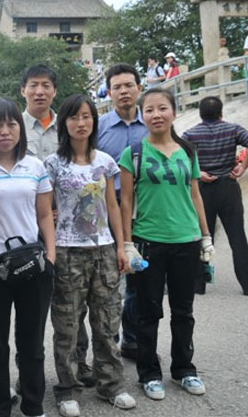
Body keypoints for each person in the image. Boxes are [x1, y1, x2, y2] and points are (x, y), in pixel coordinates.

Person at [119, 88, 214, 401]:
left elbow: (195, 194)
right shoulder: (133, 153)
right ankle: (149, 373)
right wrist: (127, 243)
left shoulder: (188, 150)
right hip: (148, 242)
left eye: (162, 108)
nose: (156, 115)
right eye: (149, 110)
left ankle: (184, 369)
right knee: (147, 312)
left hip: (186, 241)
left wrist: (205, 235)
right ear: (142, 115)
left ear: (174, 111)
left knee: (183, 311)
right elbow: (126, 201)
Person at [45, 94, 137, 416]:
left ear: (94, 121)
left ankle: (111, 385)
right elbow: (44, 209)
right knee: (67, 326)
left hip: (103, 250)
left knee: (107, 322)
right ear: (64, 123)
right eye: (74, 117)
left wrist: (121, 246)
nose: (81, 123)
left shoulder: (106, 161)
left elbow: (112, 206)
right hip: (67, 251)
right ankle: (67, 388)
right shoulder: (53, 164)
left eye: (86, 116)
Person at [0, 98, 56, 417]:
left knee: (32, 344)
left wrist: (51, 257)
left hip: (33, 267)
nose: (5, 131)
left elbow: (44, 215)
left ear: (20, 128)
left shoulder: (35, 167)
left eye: (11, 124)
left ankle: (33, 406)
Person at [20, 64, 93, 385]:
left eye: (46, 85)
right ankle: (29, 372)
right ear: (23, 90)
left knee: (75, 302)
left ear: (54, 91)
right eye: (33, 85)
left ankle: (79, 362)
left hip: (68, 230)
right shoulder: (14, 127)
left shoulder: (68, 126)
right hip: (26, 230)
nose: (39, 91)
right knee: (30, 309)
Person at [182, 96, 248, 296]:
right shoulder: (232, 129)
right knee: (237, 236)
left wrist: (199, 173)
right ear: (221, 112)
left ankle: (198, 285)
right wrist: (243, 166)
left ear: (200, 113)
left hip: (203, 190)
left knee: (203, 236)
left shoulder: (190, 134)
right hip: (228, 187)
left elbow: (179, 156)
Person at [97, 64, 148, 362]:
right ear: (109, 92)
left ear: (139, 88)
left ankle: (132, 338)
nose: (124, 91)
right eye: (117, 87)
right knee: (110, 278)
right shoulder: (99, 127)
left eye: (129, 85)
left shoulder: (153, 123)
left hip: (146, 208)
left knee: (139, 276)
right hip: (109, 208)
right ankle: (109, 342)